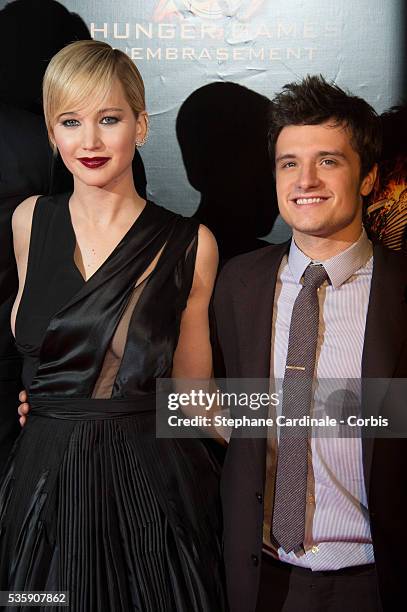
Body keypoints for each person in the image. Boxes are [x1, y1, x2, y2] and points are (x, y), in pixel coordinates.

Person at [0, 40, 226, 612]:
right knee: (37, 602)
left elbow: (195, 399)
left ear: (141, 125)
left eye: (110, 119)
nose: (90, 142)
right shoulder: (30, 221)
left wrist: (334, 417)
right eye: (71, 122)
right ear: (52, 133)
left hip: (148, 489)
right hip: (40, 489)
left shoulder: (190, 245)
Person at [212, 75, 407, 611]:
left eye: (329, 160)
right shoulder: (237, 284)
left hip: (377, 581)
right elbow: (204, 406)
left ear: (368, 177)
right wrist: (62, 406)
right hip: (261, 581)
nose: (306, 180)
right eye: (289, 162)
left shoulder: (402, 290)